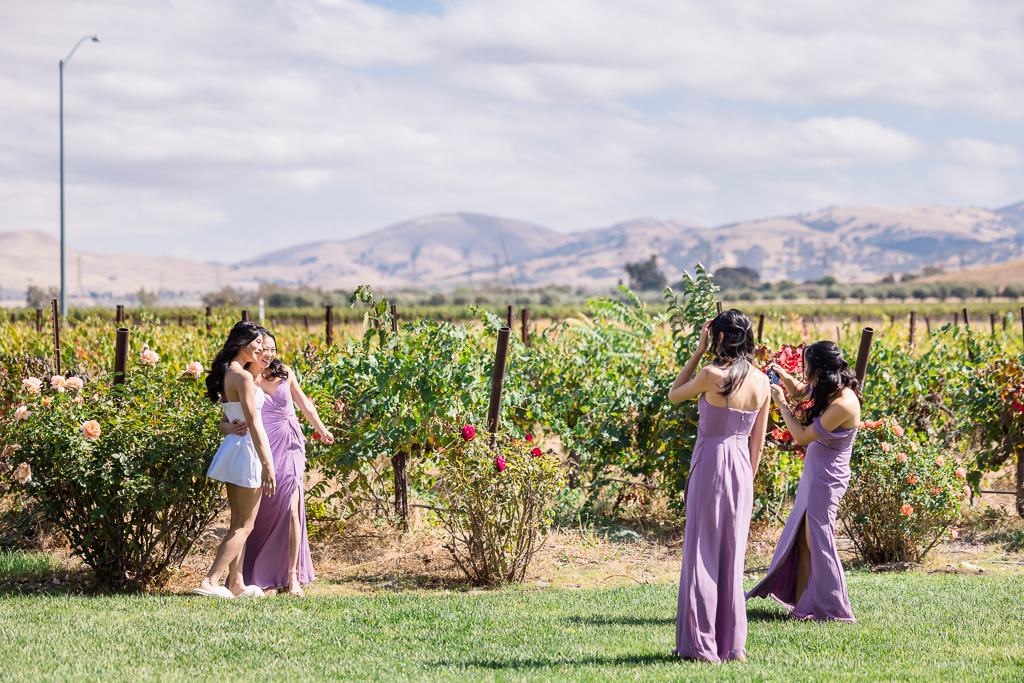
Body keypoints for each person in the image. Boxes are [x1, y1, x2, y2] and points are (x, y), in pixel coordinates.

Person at [668, 309, 770, 663]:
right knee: (732, 556)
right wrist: (748, 481)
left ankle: (700, 644)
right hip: (742, 469)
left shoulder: (712, 375)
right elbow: (758, 443)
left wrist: (697, 352)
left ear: (720, 337)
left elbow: (674, 393)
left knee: (701, 551)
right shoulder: (762, 381)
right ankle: (732, 646)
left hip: (711, 462)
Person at [746, 341, 861, 623]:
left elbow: (802, 436)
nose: (804, 372)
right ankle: (801, 607)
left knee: (819, 540)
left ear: (819, 369)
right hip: (815, 474)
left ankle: (834, 608)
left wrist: (782, 405)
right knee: (802, 539)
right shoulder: (829, 387)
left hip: (827, 478)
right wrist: (784, 375)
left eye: (807, 367)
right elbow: (802, 390)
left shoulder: (844, 403)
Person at [220, 328, 334, 597]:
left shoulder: (285, 373)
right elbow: (225, 419)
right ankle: (256, 575)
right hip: (262, 450)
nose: (268, 354)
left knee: (292, 510)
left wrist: (321, 429)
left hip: (291, 445)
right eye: (262, 349)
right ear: (252, 350)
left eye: (272, 349)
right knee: (261, 514)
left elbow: (305, 403)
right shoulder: (246, 379)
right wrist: (228, 429)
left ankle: (293, 577)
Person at [193, 321, 277, 599]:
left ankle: (237, 583)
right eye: (257, 344)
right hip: (249, 451)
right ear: (242, 345)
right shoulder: (241, 377)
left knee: (237, 523)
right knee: (245, 525)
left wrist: (230, 428)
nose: (261, 349)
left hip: (234, 449)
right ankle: (210, 580)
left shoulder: (232, 374)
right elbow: (253, 422)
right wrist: (267, 463)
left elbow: (227, 422)